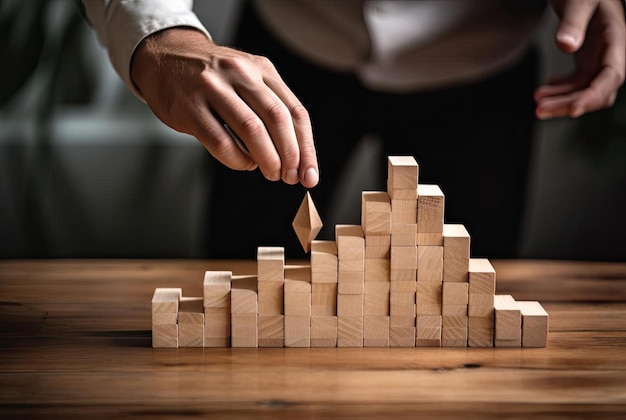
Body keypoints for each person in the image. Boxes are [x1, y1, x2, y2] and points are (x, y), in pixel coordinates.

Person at [81, 0, 625, 258]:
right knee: (244, 266)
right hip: (285, 53)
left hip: (485, 64)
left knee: (460, 296)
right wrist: (157, 30)